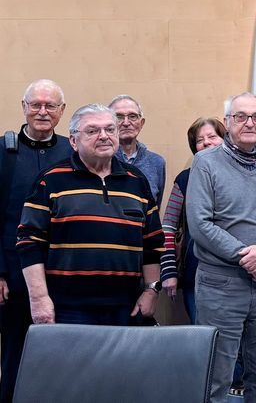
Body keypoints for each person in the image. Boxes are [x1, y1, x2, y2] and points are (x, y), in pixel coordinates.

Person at [186, 93, 256, 403]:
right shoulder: (206, 163)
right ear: (228, 122)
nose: (249, 122)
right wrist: (247, 256)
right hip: (222, 284)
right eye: (241, 116)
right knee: (215, 377)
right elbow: (200, 224)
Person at [17, 103, 164, 326]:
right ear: (73, 141)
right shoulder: (51, 179)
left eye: (110, 129)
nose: (104, 136)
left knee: (123, 363)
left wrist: (151, 290)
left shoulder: (137, 181)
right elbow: (29, 242)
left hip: (126, 307)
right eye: (93, 131)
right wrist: (38, 299)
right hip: (66, 308)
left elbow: (152, 243)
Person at [0, 80, 72, 403]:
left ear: (62, 112)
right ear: (23, 107)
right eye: (36, 104)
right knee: (14, 356)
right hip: (13, 278)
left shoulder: (73, 152)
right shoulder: (4, 152)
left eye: (50, 106)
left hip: (63, 275)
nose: (42, 111)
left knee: (63, 358)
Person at [159, 117, 226, 321]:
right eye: (200, 139)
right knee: (203, 341)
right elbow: (168, 227)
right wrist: (169, 271)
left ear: (225, 139)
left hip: (234, 277)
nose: (206, 142)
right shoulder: (184, 179)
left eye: (212, 137)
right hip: (195, 276)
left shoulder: (241, 174)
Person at [109, 95, 167, 204]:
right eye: (119, 117)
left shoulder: (156, 162)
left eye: (132, 116)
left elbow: (154, 208)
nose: (126, 123)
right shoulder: (99, 159)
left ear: (141, 123)